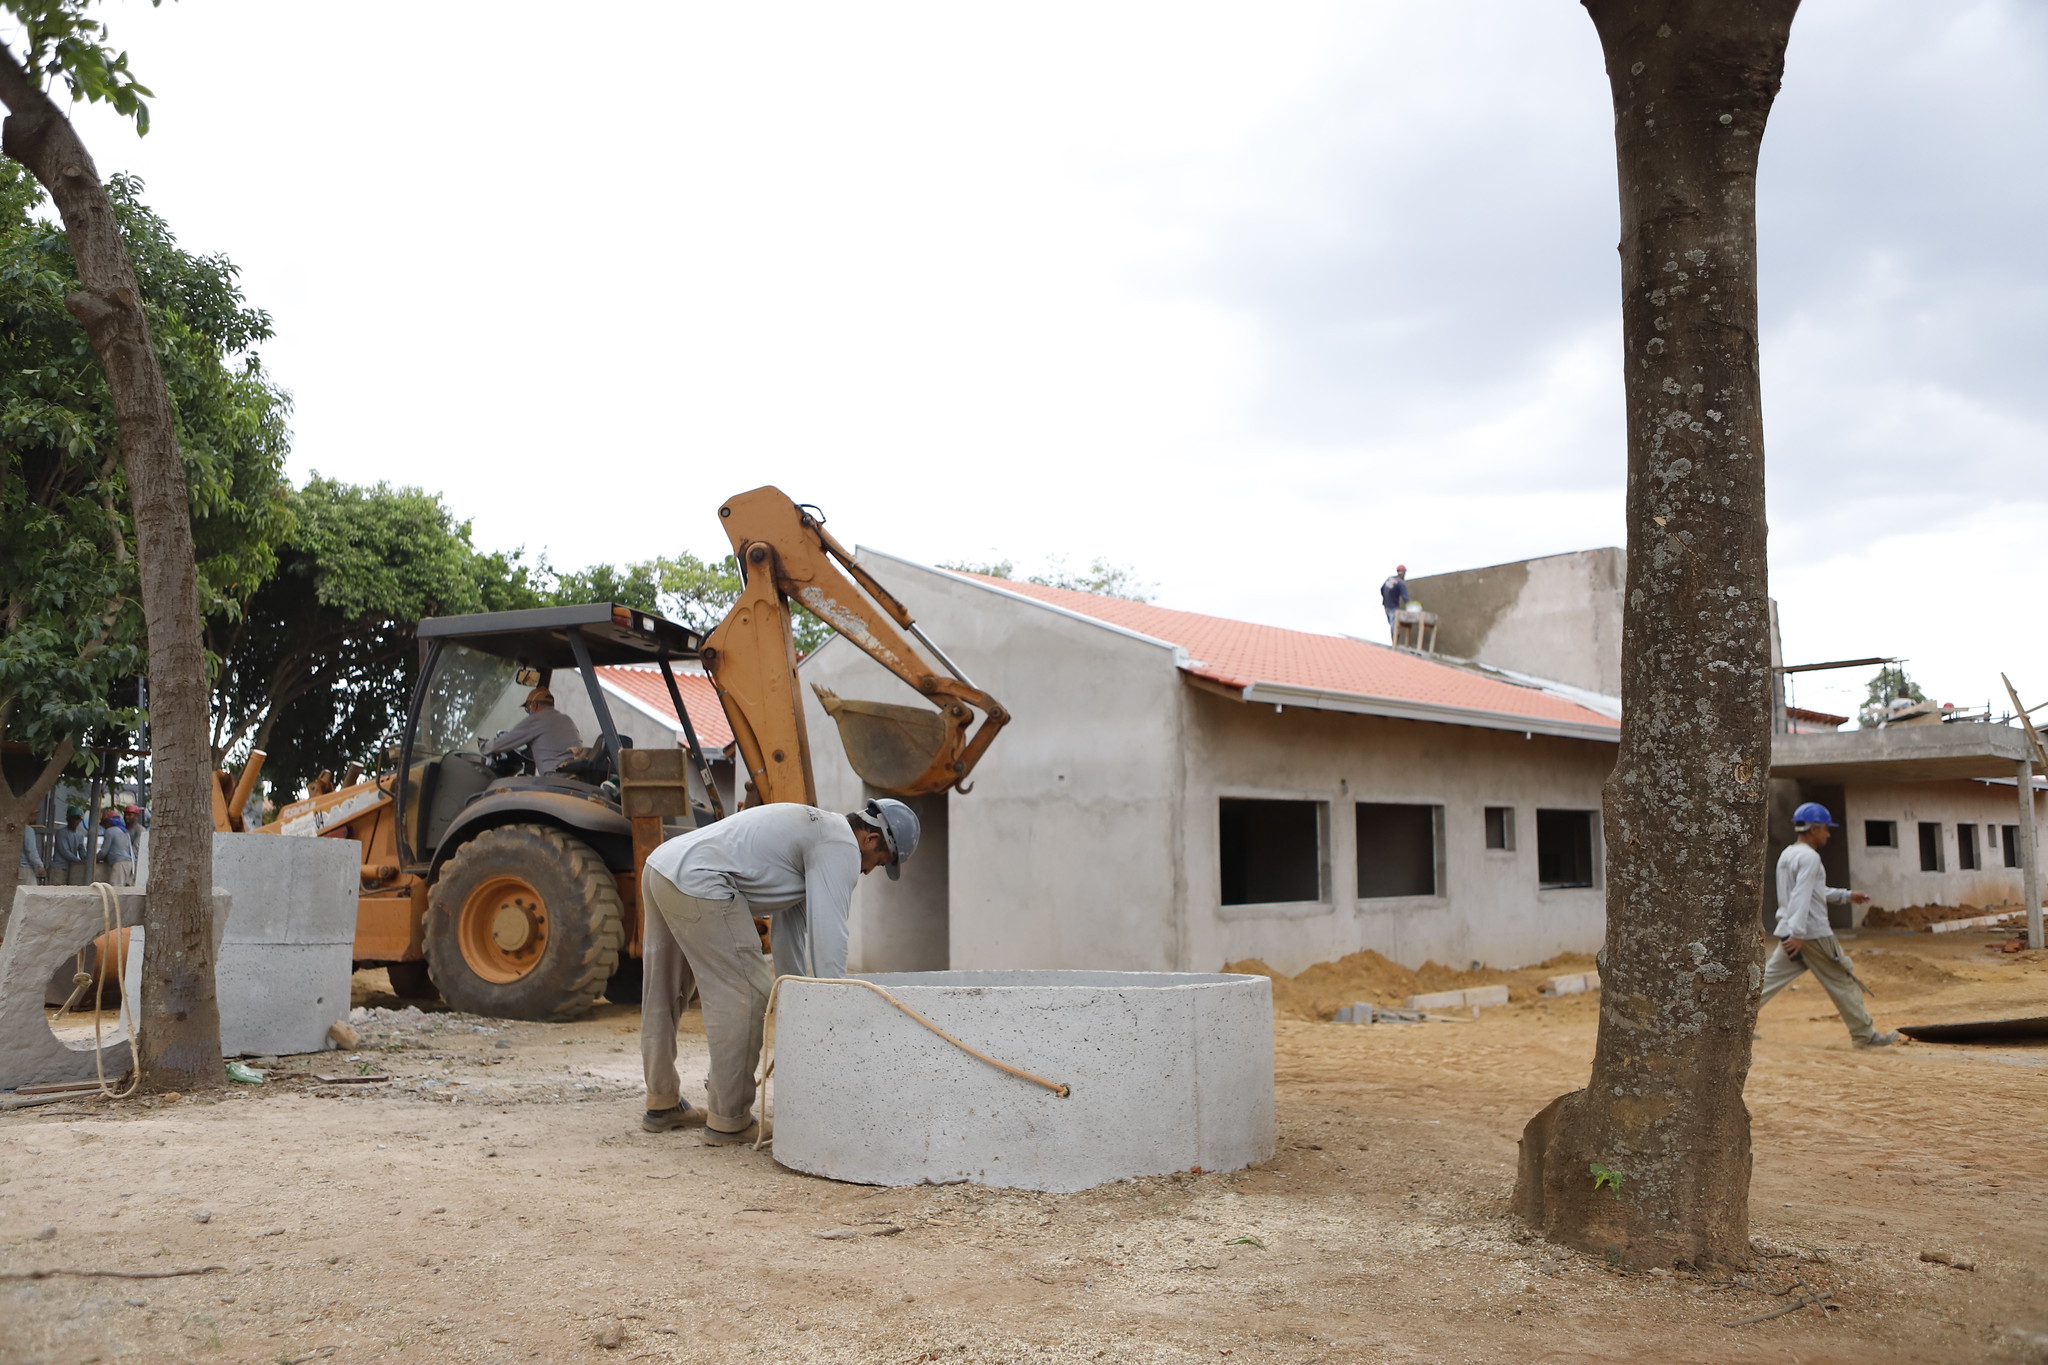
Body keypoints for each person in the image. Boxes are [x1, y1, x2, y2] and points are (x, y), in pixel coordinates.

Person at [638, 798, 920, 1142]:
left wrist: (795, 1002)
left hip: (662, 867)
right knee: (748, 997)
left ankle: (662, 1103)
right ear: (872, 840)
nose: (869, 871)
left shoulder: (815, 836)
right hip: (701, 881)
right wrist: (837, 1010)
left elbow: (790, 932)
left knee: (663, 991)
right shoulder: (840, 846)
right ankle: (731, 1121)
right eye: (879, 862)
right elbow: (829, 936)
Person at [1759, 802, 1901, 1048]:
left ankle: (1728, 1025)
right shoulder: (1810, 857)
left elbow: (1811, 892)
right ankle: (1865, 1036)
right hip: (1811, 934)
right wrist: (1800, 932)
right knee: (1843, 981)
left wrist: (1846, 896)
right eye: (1825, 828)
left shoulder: (1788, 854)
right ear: (1814, 829)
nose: (1828, 833)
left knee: (1767, 981)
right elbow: (1802, 896)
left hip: (1789, 931)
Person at [482, 687, 583, 775]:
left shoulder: (538, 719)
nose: (529, 712)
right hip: (575, 777)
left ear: (533, 705)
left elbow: (499, 744)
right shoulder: (566, 719)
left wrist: (484, 745)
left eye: (527, 709)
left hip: (556, 779)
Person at [96, 810, 136, 887]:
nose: (104, 826)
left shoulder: (110, 831)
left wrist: (95, 858)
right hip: (129, 863)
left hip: (119, 864)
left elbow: (104, 851)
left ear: (109, 822)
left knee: (115, 889)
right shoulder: (124, 831)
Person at [52, 808, 88, 885]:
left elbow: (81, 849)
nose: (75, 821)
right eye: (73, 818)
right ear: (68, 819)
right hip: (59, 868)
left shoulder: (80, 834)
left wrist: (85, 859)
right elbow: (65, 851)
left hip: (72, 868)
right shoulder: (61, 833)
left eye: (77, 818)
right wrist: (79, 861)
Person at [1380, 564, 1409, 639]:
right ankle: (1395, 638)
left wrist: (1385, 598)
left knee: (1391, 622)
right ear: (1403, 574)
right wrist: (1409, 606)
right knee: (1394, 623)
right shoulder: (1401, 583)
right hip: (1393, 606)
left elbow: (1382, 589)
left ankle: (1394, 639)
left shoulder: (1389, 579)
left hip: (1386, 605)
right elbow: (1405, 597)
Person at [18, 821, 45, 886]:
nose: (35, 818)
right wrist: (40, 865)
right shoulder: (28, 830)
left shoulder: (15, 828)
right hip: (25, 869)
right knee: (32, 893)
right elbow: (31, 851)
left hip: (17, 867)